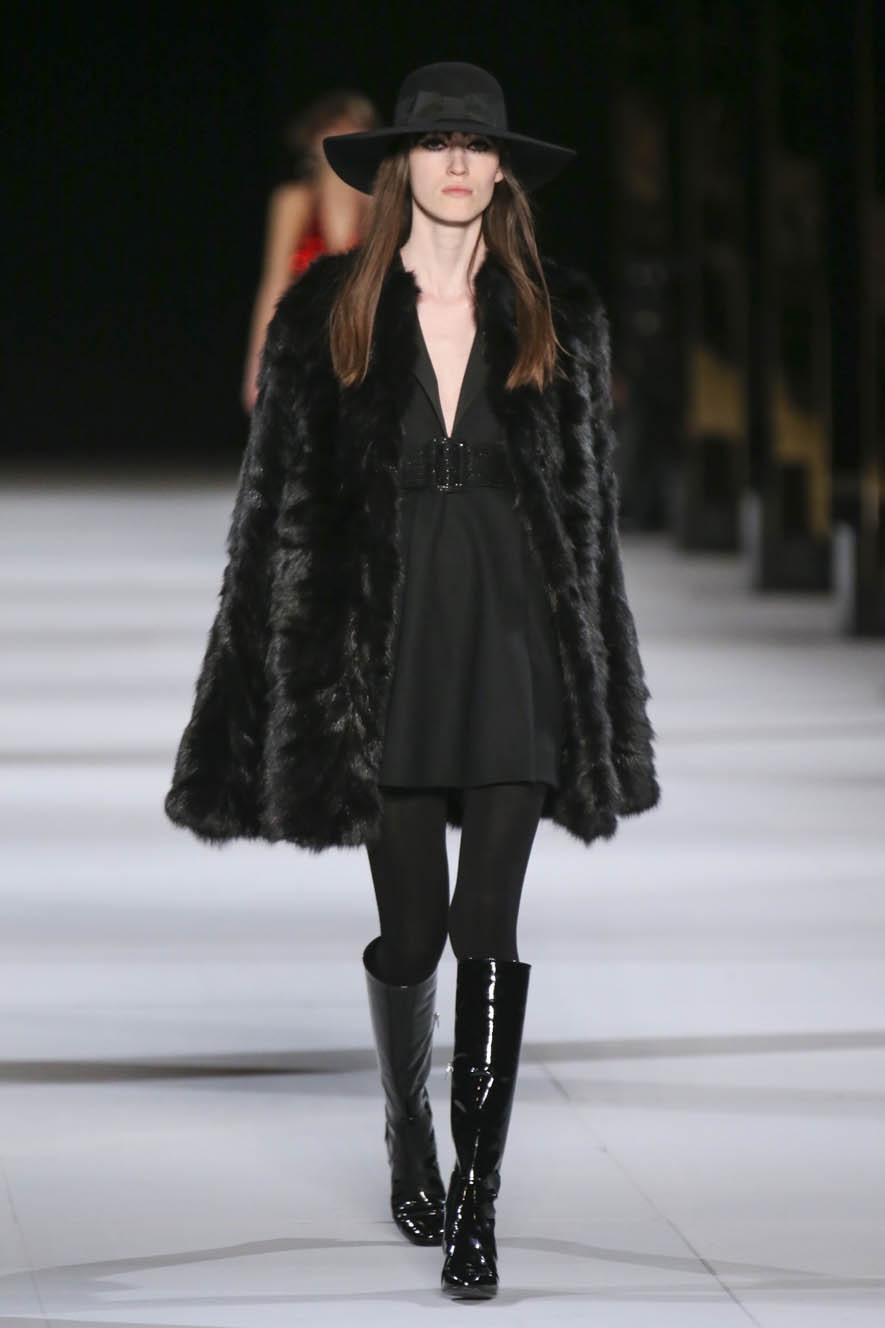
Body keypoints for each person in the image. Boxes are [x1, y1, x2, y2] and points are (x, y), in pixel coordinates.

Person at [166, 62, 659, 1300]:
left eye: (475, 146)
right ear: (402, 164)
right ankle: (407, 1126)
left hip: (513, 638)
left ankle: (477, 1204)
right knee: (417, 930)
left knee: (490, 924)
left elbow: (588, 524)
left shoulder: (558, 314)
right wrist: (257, 690)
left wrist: (600, 681)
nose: (456, 163)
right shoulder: (328, 313)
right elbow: (272, 518)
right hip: (382, 649)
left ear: (502, 172)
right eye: (436, 142)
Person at [240, 89, 378, 413]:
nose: (343, 135)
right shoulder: (294, 201)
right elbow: (275, 281)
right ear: (313, 138)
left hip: (362, 343)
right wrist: (255, 367)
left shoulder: (379, 205)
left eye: (354, 127)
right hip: (303, 343)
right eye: (334, 126)